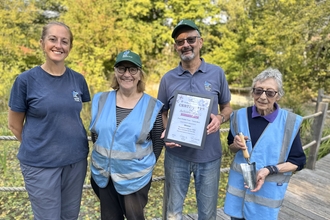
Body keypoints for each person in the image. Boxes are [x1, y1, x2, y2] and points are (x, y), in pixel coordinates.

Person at [8, 21, 90, 219]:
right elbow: (14, 124)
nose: (58, 45)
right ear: (42, 43)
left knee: (70, 216)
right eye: (52, 39)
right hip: (41, 166)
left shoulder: (78, 79)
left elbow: (75, 116)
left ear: (70, 47)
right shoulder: (26, 80)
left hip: (76, 163)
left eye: (65, 41)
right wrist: (42, 146)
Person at [157, 19, 232, 219]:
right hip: (176, 157)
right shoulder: (168, 78)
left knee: (207, 213)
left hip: (209, 157)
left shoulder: (217, 73)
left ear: (200, 42)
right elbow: (162, 111)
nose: (185, 44)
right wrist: (167, 133)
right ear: (176, 47)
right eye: (180, 41)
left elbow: (227, 107)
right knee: (173, 212)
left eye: (190, 39)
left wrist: (220, 118)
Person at [89, 50, 164, 220]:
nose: (127, 74)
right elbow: (96, 135)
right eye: (121, 69)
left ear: (140, 74)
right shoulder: (100, 99)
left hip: (134, 179)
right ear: (115, 72)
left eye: (132, 69)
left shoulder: (152, 106)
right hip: (104, 176)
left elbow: (158, 144)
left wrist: (141, 165)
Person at [223, 68, 306, 220]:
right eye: (258, 91)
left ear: (278, 95)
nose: (262, 97)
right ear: (252, 92)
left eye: (269, 93)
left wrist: (270, 169)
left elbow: (297, 162)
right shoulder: (238, 116)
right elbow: (231, 147)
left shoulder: (290, 122)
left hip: (265, 199)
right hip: (239, 196)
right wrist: (235, 144)